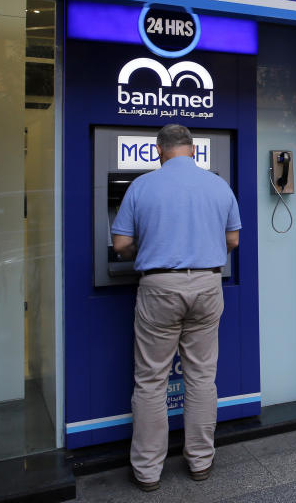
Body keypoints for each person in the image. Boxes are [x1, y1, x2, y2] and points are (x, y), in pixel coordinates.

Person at [111, 124, 241, 491]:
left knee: (151, 379)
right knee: (201, 376)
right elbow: (232, 239)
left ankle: (148, 471)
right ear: (194, 151)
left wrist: (150, 248)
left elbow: (120, 244)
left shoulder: (141, 186)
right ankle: (200, 461)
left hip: (159, 287)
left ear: (159, 151)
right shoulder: (218, 185)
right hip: (207, 283)